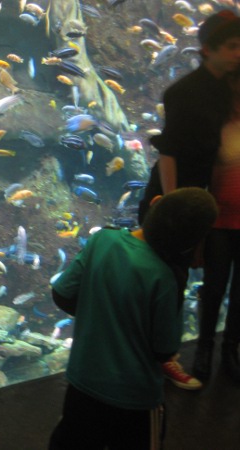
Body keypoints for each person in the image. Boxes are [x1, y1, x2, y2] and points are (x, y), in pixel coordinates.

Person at [49, 188, 218, 450]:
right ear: (194, 241)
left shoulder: (102, 239)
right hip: (133, 398)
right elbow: (164, 348)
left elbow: (62, 294)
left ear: (154, 203)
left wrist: (100, 314)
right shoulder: (164, 277)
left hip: (82, 383)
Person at [137, 9, 240, 390]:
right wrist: (172, 204)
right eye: (231, 46)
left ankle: (170, 358)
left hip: (202, 201)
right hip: (173, 198)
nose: (238, 53)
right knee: (165, 279)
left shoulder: (226, 90)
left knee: (180, 280)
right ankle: (156, 359)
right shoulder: (183, 92)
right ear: (207, 49)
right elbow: (169, 152)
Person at [193, 71, 240, 383]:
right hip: (220, 222)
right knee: (213, 288)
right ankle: (204, 348)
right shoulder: (216, 125)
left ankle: (230, 349)